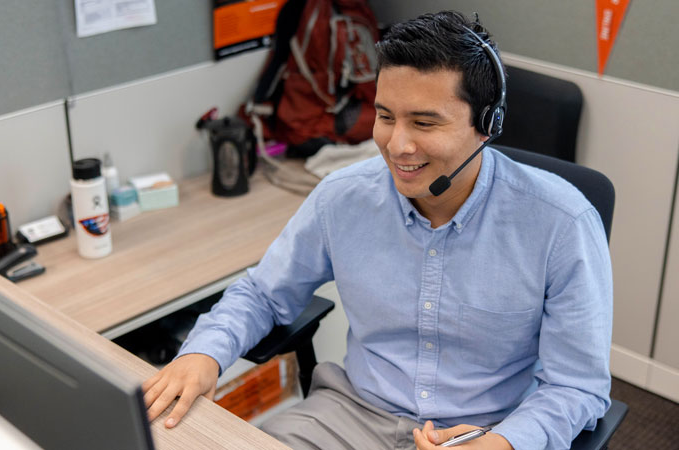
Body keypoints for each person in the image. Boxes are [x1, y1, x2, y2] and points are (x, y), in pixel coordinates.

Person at [144, 10, 612, 450]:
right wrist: (202, 354)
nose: (397, 145)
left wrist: (505, 442)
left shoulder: (560, 223)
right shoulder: (343, 197)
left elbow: (577, 386)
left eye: (425, 122)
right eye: (386, 117)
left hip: (480, 431)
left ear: (487, 124)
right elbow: (263, 294)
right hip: (349, 414)